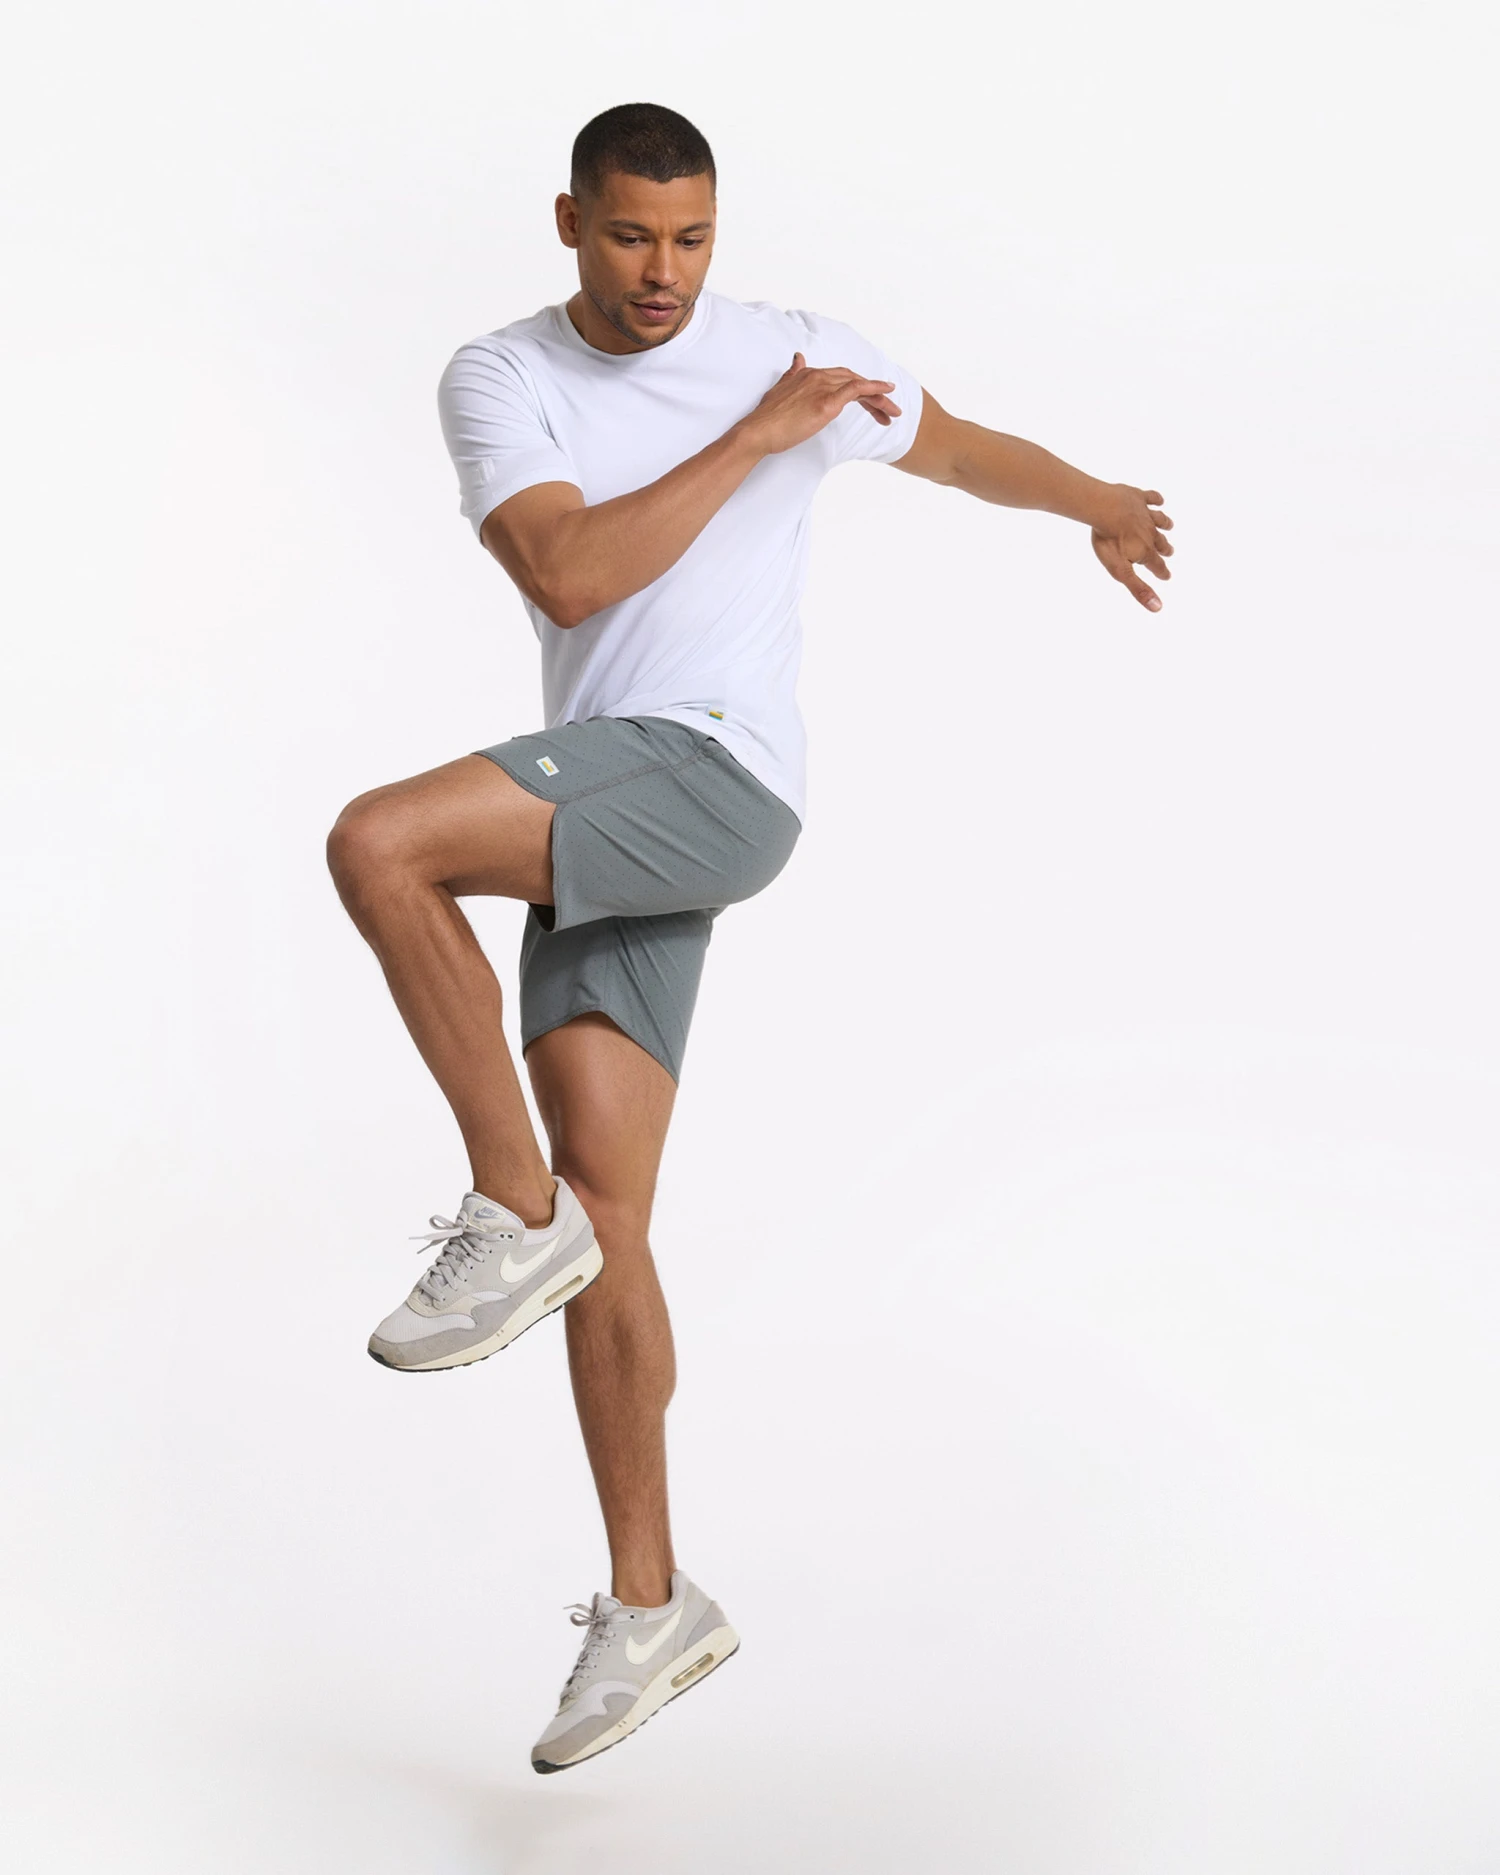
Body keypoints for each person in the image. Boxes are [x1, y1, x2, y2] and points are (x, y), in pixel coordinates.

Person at [326, 101, 1174, 1774]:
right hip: (609, 795)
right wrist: (757, 438)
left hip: (717, 774)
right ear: (571, 221)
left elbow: (951, 445)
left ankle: (507, 1209)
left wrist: (1096, 501)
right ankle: (650, 1604)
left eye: (694, 239)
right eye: (634, 235)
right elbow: (568, 573)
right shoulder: (502, 376)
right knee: (612, 1220)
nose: (667, 272)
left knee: (383, 841)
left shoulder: (789, 348)